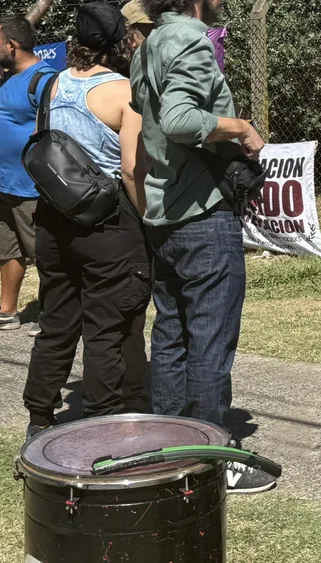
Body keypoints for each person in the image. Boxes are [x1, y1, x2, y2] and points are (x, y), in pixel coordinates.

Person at [132, 0, 275, 492]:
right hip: (202, 215)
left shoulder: (149, 42)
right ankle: (210, 460)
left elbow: (149, 118)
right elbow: (177, 120)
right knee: (209, 341)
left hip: (163, 213)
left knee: (171, 337)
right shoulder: (191, 39)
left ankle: (169, 450)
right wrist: (241, 127)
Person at [21, 2, 151, 439]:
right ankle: (101, 419)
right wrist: (147, 219)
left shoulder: (52, 84)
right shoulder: (124, 91)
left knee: (56, 322)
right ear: (121, 42)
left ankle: (40, 415)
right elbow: (131, 169)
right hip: (107, 224)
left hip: (54, 219)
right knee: (106, 326)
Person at [0, 16, 54, 334]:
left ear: (11, 45)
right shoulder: (7, 78)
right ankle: (7, 310)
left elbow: (53, 130)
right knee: (7, 250)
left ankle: (54, 316)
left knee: (44, 253)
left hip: (30, 186)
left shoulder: (43, 79)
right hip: (3, 184)